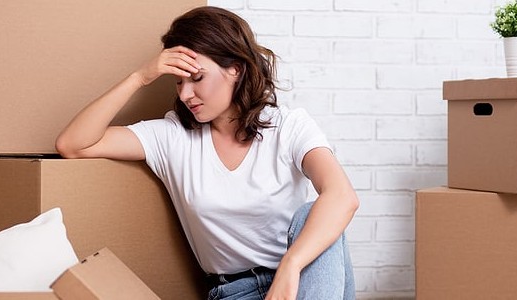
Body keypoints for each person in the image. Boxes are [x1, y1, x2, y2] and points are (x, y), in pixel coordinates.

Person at [56, 6, 358, 300]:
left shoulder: (288, 127)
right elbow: (73, 144)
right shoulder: (173, 137)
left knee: (315, 214)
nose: (186, 94)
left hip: (303, 279)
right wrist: (140, 77)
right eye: (179, 82)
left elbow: (342, 196)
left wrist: (290, 267)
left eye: (196, 78)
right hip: (236, 292)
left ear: (235, 70)